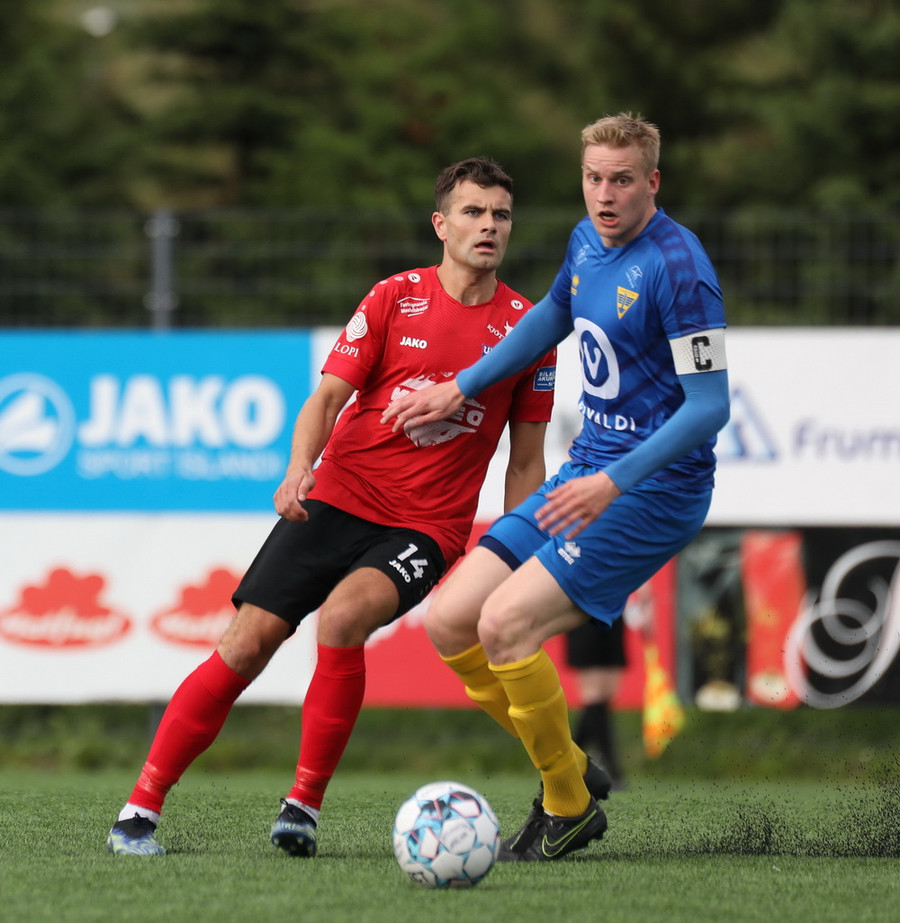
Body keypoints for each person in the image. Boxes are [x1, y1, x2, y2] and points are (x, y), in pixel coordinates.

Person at [106, 157, 562, 858]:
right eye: (473, 212)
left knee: (344, 618)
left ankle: (303, 807)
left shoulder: (529, 329)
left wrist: (515, 551)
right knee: (246, 642)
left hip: (425, 526)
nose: (489, 226)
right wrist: (299, 468)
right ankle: (139, 810)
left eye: (500, 214)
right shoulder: (394, 298)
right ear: (441, 225)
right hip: (339, 495)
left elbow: (526, 461)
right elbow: (326, 399)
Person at [383, 113, 731, 862]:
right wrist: (461, 385)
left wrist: (613, 481)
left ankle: (568, 807)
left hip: (652, 489)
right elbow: (552, 315)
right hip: (588, 471)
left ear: (652, 182)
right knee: (450, 620)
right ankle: (569, 768)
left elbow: (710, 407)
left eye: (622, 180)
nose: (605, 195)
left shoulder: (680, 267)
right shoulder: (585, 241)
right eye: (593, 178)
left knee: (505, 625)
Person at [566, 615, 627, 790]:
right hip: (587, 614)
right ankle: (611, 768)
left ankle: (567, 763)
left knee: (605, 696)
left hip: (612, 614)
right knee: (594, 697)